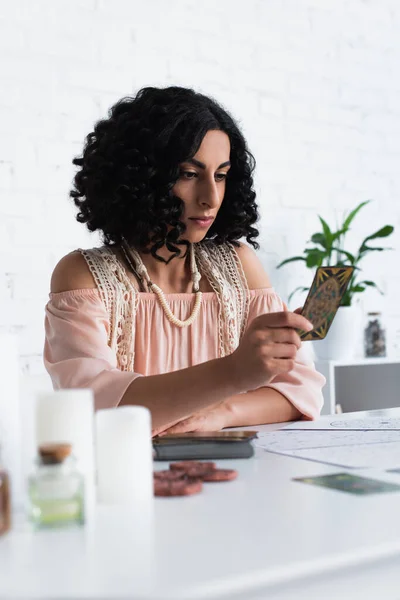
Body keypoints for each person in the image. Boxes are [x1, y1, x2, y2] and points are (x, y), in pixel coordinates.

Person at [44, 86, 325, 436]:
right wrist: (234, 372)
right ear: (140, 177)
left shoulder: (239, 267)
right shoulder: (83, 278)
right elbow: (93, 409)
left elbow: (300, 391)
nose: (210, 197)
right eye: (189, 174)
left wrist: (222, 413)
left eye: (220, 175)